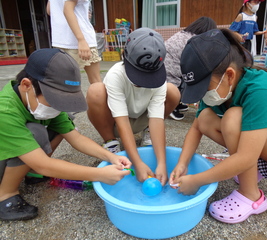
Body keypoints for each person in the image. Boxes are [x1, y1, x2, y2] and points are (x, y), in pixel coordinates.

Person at [169, 28, 267, 224]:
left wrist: (196, 180)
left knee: (233, 118)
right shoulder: (219, 84)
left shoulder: (261, 90)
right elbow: (197, 127)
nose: (202, 95)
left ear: (229, 75)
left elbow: (245, 156)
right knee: (205, 117)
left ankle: (252, 196)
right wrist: (182, 164)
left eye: (203, 88)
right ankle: (250, 171)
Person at [0, 48, 131, 221]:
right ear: (26, 85)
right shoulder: (5, 111)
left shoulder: (45, 104)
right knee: (36, 132)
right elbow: (43, 165)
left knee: (63, 122)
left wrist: (111, 156)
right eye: (54, 100)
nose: (58, 106)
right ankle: (6, 195)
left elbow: (76, 138)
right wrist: (99, 174)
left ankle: (30, 173)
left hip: (26, 157)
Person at [86, 28, 180, 185]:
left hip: (143, 118)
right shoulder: (116, 75)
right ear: (125, 57)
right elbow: (122, 123)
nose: (141, 83)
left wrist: (162, 163)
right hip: (116, 122)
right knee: (95, 90)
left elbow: (157, 120)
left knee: (173, 91)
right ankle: (110, 142)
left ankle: (147, 132)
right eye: (137, 75)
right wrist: (137, 163)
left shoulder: (159, 80)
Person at [164, 16, 217, 120]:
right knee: (195, 76)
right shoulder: (195, 41)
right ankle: (171, 106)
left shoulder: (183, 34)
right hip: (171, 77)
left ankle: (177, 102)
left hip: (162, 70)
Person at [46, 0, 102, 84]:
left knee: (69, 82)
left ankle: (74, 97)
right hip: (81, 38)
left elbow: (49, 10)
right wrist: (81, 39)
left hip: (60, 39)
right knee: (96, 81)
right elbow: (67, 9)